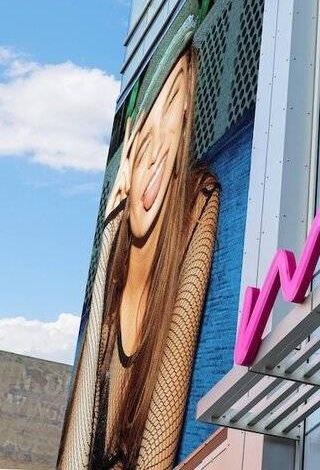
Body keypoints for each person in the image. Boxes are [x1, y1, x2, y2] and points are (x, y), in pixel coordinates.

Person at [58, 29, 220, 469]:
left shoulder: (200, 201)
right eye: (148, 134)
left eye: (176, 128)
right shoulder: (108, 302)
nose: (158, 156)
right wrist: (110, 230)